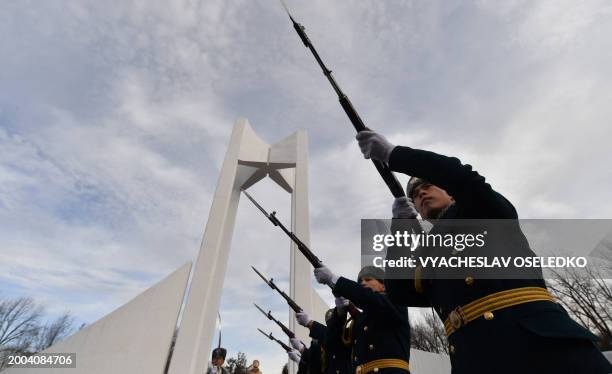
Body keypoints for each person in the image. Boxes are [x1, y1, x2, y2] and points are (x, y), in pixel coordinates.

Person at [356, 130, 612, 373]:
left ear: (451, 193)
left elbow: (464, 178)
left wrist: (394, 155)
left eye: (428, 185)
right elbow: (400, 290)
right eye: (413, 196)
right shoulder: (428, 254)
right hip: (476, 360)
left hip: (543, 349)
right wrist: (400, 228)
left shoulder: (482, 209)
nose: (420, 193)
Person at [314, 265, 411, 374]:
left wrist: (334, 280)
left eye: (368, 279)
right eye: (360, 282)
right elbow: (333, 345)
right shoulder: (360, 319)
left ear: (383, 286)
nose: (363, 283)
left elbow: (368, 298)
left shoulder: (396, 302)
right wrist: (340, 312)